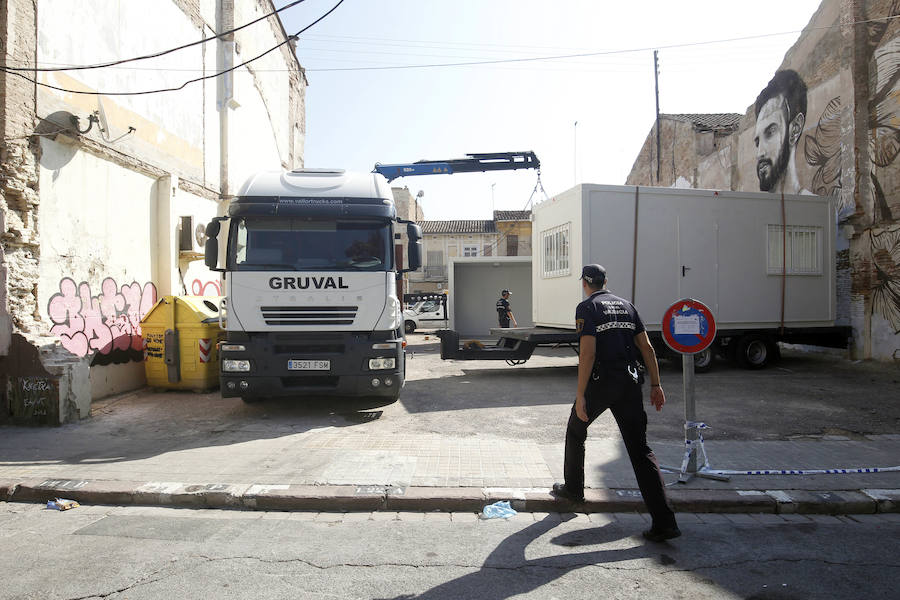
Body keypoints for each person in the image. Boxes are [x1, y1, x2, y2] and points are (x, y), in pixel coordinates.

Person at [551, 264, 680, 543]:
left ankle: (574, 489)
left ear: (585, 283)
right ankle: (665, 521)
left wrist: (581, 395)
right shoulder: (627, 306)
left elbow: (587, 354)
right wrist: (656, 384)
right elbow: (647, 347)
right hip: (631, 382)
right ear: (606, 281)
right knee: (640, 449)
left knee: (576, 428)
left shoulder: (587, 308)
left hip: (602, 382)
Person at [754, 69, 812, 195]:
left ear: (795, 130)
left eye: (770, 132)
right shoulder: (755, 209)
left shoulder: (818, 210)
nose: (760, 153)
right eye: (757, 142)